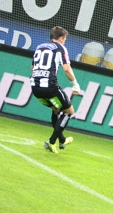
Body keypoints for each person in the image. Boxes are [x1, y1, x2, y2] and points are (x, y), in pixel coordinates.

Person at [30, 26, 81, 154]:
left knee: (56, 110)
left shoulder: (40, 47)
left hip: (35, 87)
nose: (65, 41)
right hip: (50, 86)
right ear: (61, 38)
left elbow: (32, 68)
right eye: (65, 38)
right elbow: (67, 69)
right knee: (69, 112)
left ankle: (62, 140)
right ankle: (51, 142)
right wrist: (75, 84)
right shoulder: (60, 48)